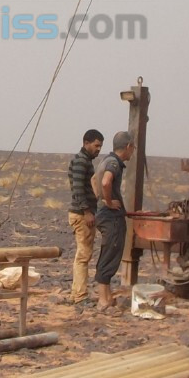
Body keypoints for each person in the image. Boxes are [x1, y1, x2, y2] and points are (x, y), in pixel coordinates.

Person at [93, 131, 135, 310]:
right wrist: (108, 202)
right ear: (128, 147)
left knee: (108, 252)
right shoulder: (114, 164)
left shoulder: (105, 160)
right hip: (111, 218)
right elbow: (104, 182)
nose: (132, 151)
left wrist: (100, 200)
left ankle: (107, 297)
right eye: (132, 148)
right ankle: (103, 300)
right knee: (110, 253)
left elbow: (94, 179)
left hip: (103, 214)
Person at [65, 129, 104, 303]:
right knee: (84, 255)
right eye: (96, 145)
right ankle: (80, 295)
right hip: (81, 215)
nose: (98, 149)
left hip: (79, 213)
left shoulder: (83, 161)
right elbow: (78, 188)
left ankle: (76, 293)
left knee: (82, 254)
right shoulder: (82, 162)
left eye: (100, 146)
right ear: (86, 143)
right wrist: (87, 211)